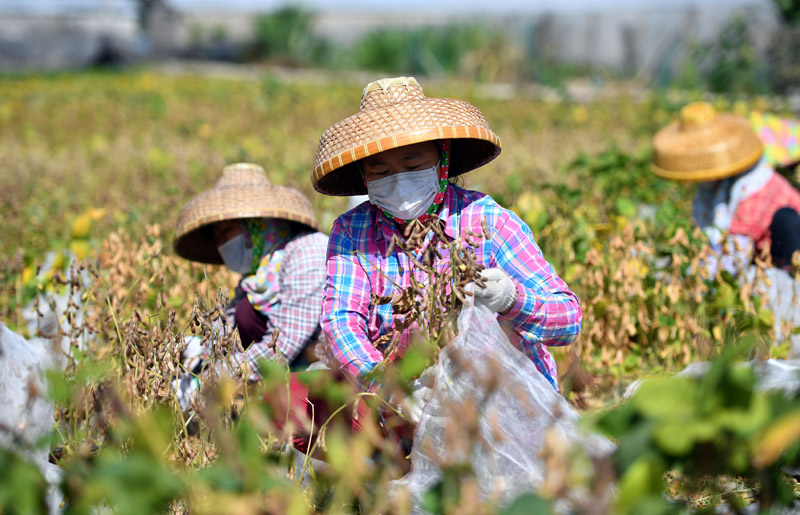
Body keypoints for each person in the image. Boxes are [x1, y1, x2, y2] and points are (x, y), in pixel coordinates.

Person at [315, 76, 581, 391]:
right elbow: (341, 323)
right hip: (399, 398)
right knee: (304, 394)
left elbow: (567, 320)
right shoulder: (353, 232)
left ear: (442, 160)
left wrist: (510, 300)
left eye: (413, 165)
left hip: (495, 396)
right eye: (382, 172)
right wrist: (390, 391)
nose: (399, 182)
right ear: (364, 176)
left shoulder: (487, 223)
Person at [171, 163, 327, 407]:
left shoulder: (307, 251)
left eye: (226, 231)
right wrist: (191, 352)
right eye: (217, 237)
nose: (221, 243)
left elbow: (285, 342)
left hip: (315, 371)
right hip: (273, 372)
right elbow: (227, 325)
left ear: (254, 224)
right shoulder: (259, 273)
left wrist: (216, 376)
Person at [651, 102, 800, 276]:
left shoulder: (756, 186)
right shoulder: (717, 185)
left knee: (786, 219)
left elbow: (741, 238)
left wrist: (710, 277)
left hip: (784, 243)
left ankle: (789, 272)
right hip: (758, 248)